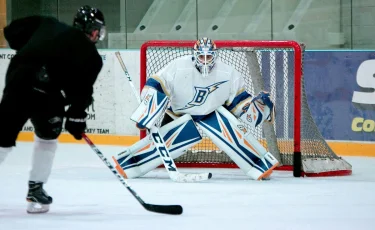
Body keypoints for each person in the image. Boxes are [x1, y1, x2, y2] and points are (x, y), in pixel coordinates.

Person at [113, 37, 279, 181]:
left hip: (211, 113)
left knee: (232, 132)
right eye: (201, 55)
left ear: (216, 55)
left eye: (209, 56)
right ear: (194, 55)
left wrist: (255, 109)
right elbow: (157, 83)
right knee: (162, 143)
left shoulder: (228, 73)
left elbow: (238, 103)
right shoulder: (178, 66)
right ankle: (131, 163)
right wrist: (148, 107)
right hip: (179, 113)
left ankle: (258, 164)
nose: (205, 60)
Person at [0, 5, 105, 213]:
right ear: (94, 31)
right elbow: (81, 93)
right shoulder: (92, 56)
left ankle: (36, 189)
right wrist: (76, 118)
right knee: (47, 139)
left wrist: (31, 50)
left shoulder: (48, 23)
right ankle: (36, 190)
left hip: (18, 83)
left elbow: (11, 31)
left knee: (1, 137)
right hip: (47, 96)